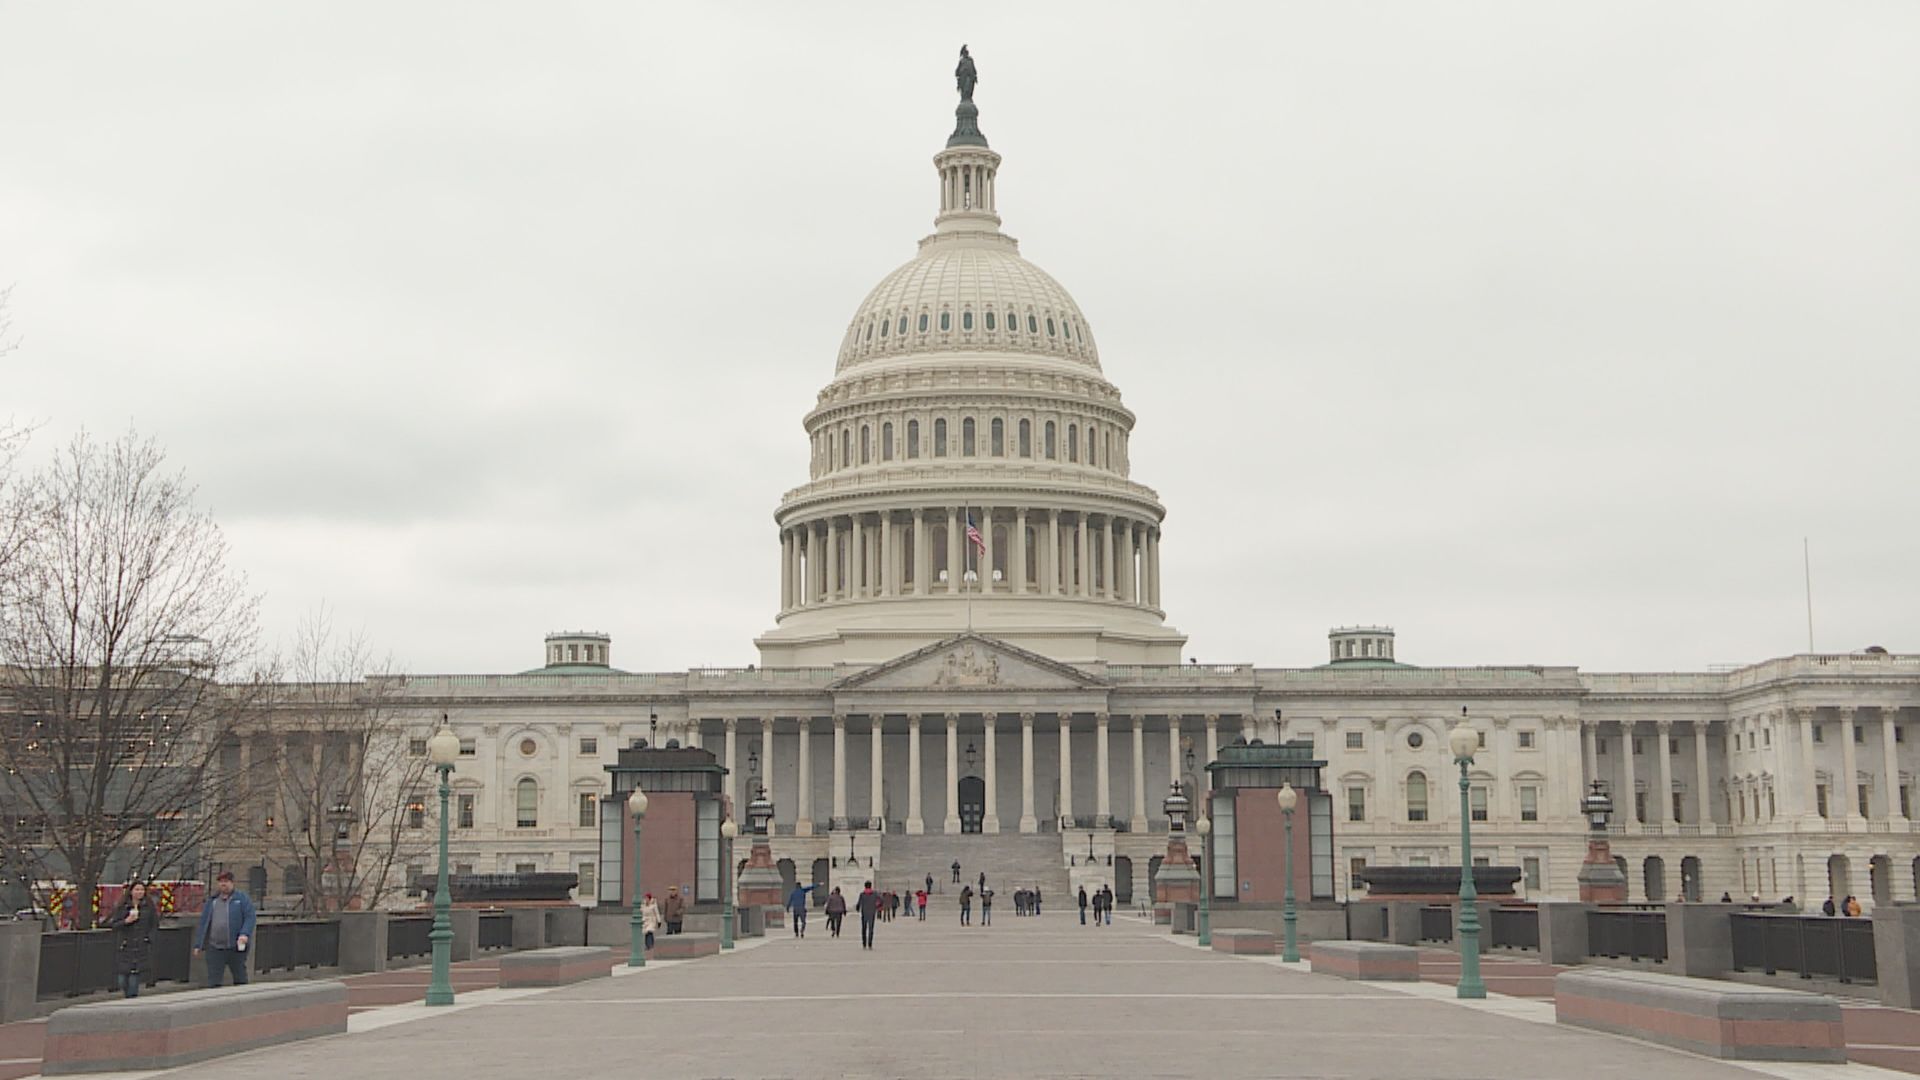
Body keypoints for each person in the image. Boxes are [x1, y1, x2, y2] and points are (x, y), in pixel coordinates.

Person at [193, 870, 257, 987]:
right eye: (221, 882)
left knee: (240, 976)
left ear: (232, 883)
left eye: (226, 881)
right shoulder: (212, 901)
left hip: (235, 946)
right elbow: (204, 922)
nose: (224, 884)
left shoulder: (241, 899)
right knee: (214, 979)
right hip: (215, 947)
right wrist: (198, 944)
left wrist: (244, 934)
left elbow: (250, 917)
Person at [107, 882, 158, 998]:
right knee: (122, 979)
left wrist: (148, 939)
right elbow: (114, 924)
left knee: (134, 979)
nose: (139, 892)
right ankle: (127, 995)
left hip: (140, 947)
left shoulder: (148, 907)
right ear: (131, 891)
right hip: (125, 946)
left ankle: (131, 1000)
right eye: (137, 890)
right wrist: (127, 921)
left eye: (142, 890)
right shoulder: (123, 906)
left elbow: (154, 925)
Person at [856, 881, 881, 950]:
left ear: (865, 886)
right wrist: (877, 905)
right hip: (872, 912)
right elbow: (881, 900)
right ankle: (870, 943)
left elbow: (858, 903)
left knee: (864, 929)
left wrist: (858, 908)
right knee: (871, 929)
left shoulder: (862, 894)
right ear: (870, 886)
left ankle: (864, 943)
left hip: (864, 913)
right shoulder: (875, 894)